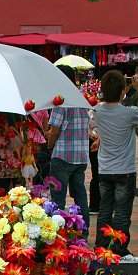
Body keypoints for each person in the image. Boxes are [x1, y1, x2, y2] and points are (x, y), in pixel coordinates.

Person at [93, 70, 138, 263]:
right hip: (124, 169)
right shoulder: (128, 113)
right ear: (122, 90)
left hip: (104, 169)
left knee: (105, 209)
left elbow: (92, 126)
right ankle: (120, 250)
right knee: (123, 211)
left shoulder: (98, 111)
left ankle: (101, 248)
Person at [47, 64, 90, 232]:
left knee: (58, 197)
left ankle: (56, 234)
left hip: (62, 156)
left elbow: (54, 130)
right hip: (80, 157)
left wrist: (50, 146)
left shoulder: (61, 101)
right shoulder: (83, 99)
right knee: (80, 196)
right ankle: (83, 232)